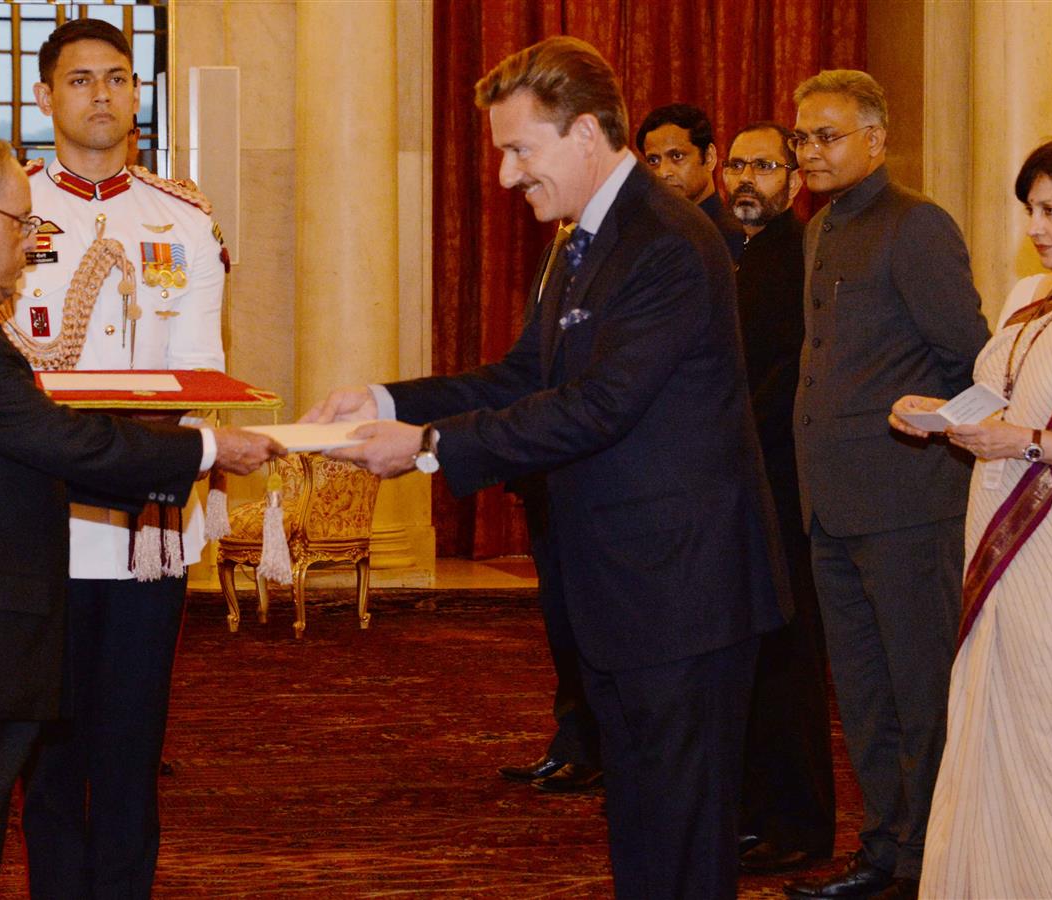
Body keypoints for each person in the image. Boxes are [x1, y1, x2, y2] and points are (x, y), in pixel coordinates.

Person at [304, 36, 789, 899]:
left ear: (589, 133)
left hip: (683, 595)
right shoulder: (586, 239)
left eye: (519, 149)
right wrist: (384, 401)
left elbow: (601, 406)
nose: (504, 175)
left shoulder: (668, 242)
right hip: (626, 588)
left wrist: (426, 450)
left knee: (680, 834)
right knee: (643, 819)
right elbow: (526, 375)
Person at [0, 131, 281, 900]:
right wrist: (204, 449)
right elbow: (60, 440)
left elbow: (31, 456)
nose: (32, 243)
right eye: (22, 223)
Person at [4, 19, 231, 899]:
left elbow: (199, 374)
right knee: (49, 752)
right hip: (37, 518)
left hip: (147, 523)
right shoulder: (7, 211)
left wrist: (151, 465)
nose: (101, 95)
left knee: (133, 748)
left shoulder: (181, 218)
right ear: (45, 97)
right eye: (79, 80)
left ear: (138, 92)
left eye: (118, 78)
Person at [891, 134, 1052, 899]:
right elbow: (1002, 404)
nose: (1035, 226)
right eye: (1030, 208)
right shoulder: (1025, 296)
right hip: (1000, 544)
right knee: (994, 725)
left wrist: (1025, 444)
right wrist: (939, 414)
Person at [782, 70, 989, 900]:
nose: (811, 152)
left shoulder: (917, 225)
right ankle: (883, 852)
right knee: (864, 695)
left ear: (875, 138)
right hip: (829, 503)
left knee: (919, 687)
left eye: (827, 136)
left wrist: (933, 424)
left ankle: (929, 857)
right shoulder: (820, 228)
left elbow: (970, 359)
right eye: (802, 138)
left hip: (908, 502)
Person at [722, 122, 835, 875]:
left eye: (764, 166)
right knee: (755, 662)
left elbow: (786, 377)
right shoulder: (741, 255)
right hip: (744, 487)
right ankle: (762, 815)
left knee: (791, 664)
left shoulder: (799, 257)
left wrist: (729, 445)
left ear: (793, 181)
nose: (746, 180)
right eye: (736, 165)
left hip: (784, 487)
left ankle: (797, 827)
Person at [497, 229, 603, 795]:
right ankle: (573, 741)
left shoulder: (632, 249)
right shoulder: (560, 246)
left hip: (590, 470)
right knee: (562, 618)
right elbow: (529, 364)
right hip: (547, 467)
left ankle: (597, 747)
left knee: (591, 619)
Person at [635, 103, 745, 258]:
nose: (663, 172)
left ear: (709, 157)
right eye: (653, 160)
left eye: (677, 156)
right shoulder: (646, 233)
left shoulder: (729, 237)